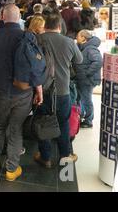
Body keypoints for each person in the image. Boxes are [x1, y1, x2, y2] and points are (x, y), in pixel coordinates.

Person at [0, 5, 39, 181]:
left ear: (2, 17)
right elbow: (36, 67)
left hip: (0, 92)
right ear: (19, 17)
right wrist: (39, 90)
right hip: (23, 92)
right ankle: (11, 170)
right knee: (15, 129)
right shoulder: (28, 37)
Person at [34, 13, 83, 168]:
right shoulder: (69, 42)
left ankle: (45, 157)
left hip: (42, 90)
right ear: (60, 26)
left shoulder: (38, 40)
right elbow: (79, 60)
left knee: (43, 121)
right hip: (63, 91)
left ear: (45, 25)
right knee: (63, 123)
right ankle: (65, 155)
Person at [74, 30, 102, 128]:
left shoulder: (90, 49)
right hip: (82, 78)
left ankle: (88, 120)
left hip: (88, 80)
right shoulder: (83, 48)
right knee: (82, 99)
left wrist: (86, 73)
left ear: (83, 38)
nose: (76, 37)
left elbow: (98, 61)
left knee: (86, 99)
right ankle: (83, 117)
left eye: (78, 36)